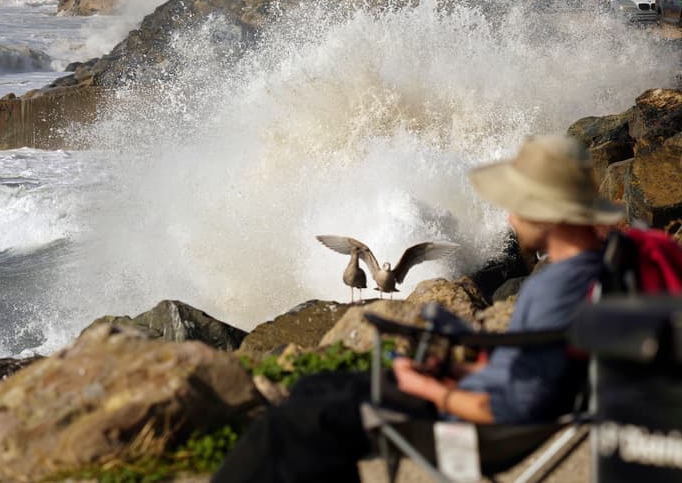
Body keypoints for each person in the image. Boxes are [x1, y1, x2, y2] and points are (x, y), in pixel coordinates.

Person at [213, 134, 625, 483]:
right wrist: (458, 370)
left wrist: (426, 386)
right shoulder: (595, 273)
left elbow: (509, 403)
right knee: (312, 390)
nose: (511, 217)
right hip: (487, 401)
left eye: (519, 205)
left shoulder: (558, 287)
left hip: (475, 428)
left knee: (296, 420)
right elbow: (534, 371)